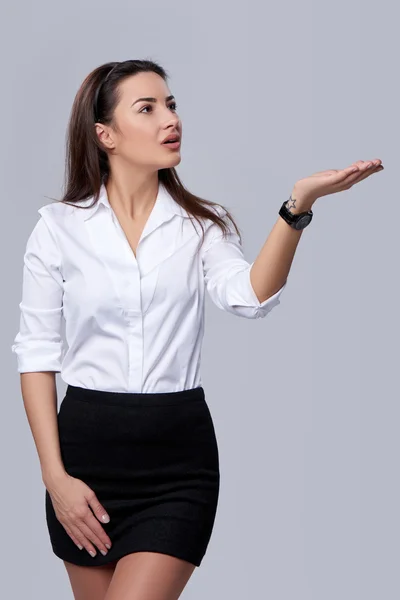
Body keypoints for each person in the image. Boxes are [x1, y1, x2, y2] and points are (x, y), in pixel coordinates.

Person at [11, 58, 383, 600]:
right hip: (84, 460)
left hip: (176, 461)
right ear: (105, 135)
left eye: (171, 104)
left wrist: (297, 205)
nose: (170, 118)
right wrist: (55, 478)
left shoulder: (201, 224)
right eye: (148, 108)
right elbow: (36, 357)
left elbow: (250, 298)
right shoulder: (57, 231)